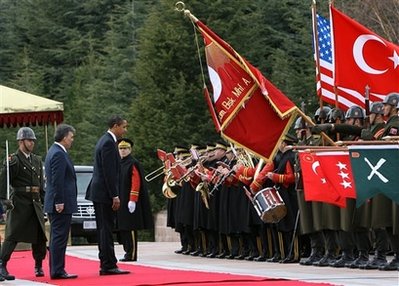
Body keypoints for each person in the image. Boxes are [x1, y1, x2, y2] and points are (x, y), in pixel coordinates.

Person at [85, 115, 130, 276]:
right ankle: (108, 264)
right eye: (124, 127)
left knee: (104, 229)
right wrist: (115, 195)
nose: (125, 131)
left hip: (100, 192)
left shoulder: (105, 141)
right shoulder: (109, 144)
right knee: (106, 229)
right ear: (115, 126)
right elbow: (109, 172)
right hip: (104, 193)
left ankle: (107, 262)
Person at [0, 127, 47, 280]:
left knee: (40, 235)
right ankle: (2, 265)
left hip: (35, 201)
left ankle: (38, 264)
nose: (32, 143)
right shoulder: (14, 160)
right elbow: (4, 181)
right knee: (12, 235)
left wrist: (44, 201)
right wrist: (4, 199)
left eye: (33, 140)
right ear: (21, 141)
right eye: (28, 140)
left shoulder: (36, 160)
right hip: (19, 202)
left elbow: (40, 184)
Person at [44, 124, 78, 279]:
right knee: (59, 237)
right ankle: (57, 270)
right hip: (60, 203)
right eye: (71, 138)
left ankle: (57, 268)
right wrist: (59, 201)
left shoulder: (55, 151)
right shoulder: (58, 153)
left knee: (57, 237)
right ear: (64, 137)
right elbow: (57, 180)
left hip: (59, 202)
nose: (72, 140)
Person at [116, 138, 153, 262]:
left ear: (130, 149)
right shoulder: (119, 163)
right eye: (120, 148)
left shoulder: (132, 163)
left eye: (125, 148)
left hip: (130, 200)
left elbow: (136, 182)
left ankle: (131, 253)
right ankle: (127, 251)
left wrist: (133, 199)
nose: (122, 151)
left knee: (130, 227)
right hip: (121, 199)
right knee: (123, 227)